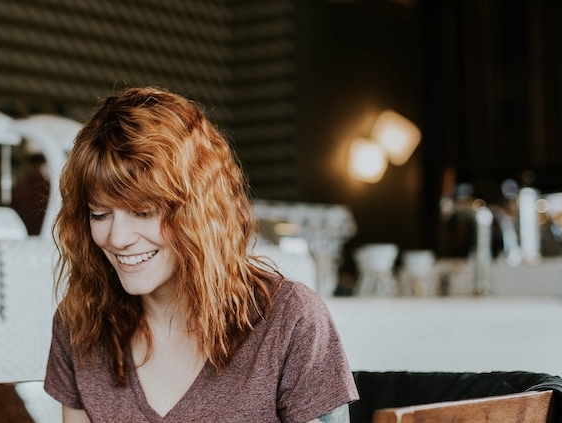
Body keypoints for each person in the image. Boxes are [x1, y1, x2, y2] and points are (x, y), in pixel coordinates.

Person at [43, 86, 358, 423]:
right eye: (100, 214)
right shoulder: (81, 322)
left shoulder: (291, 320)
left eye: (143, 212)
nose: (117, 238)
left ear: (198, 211)